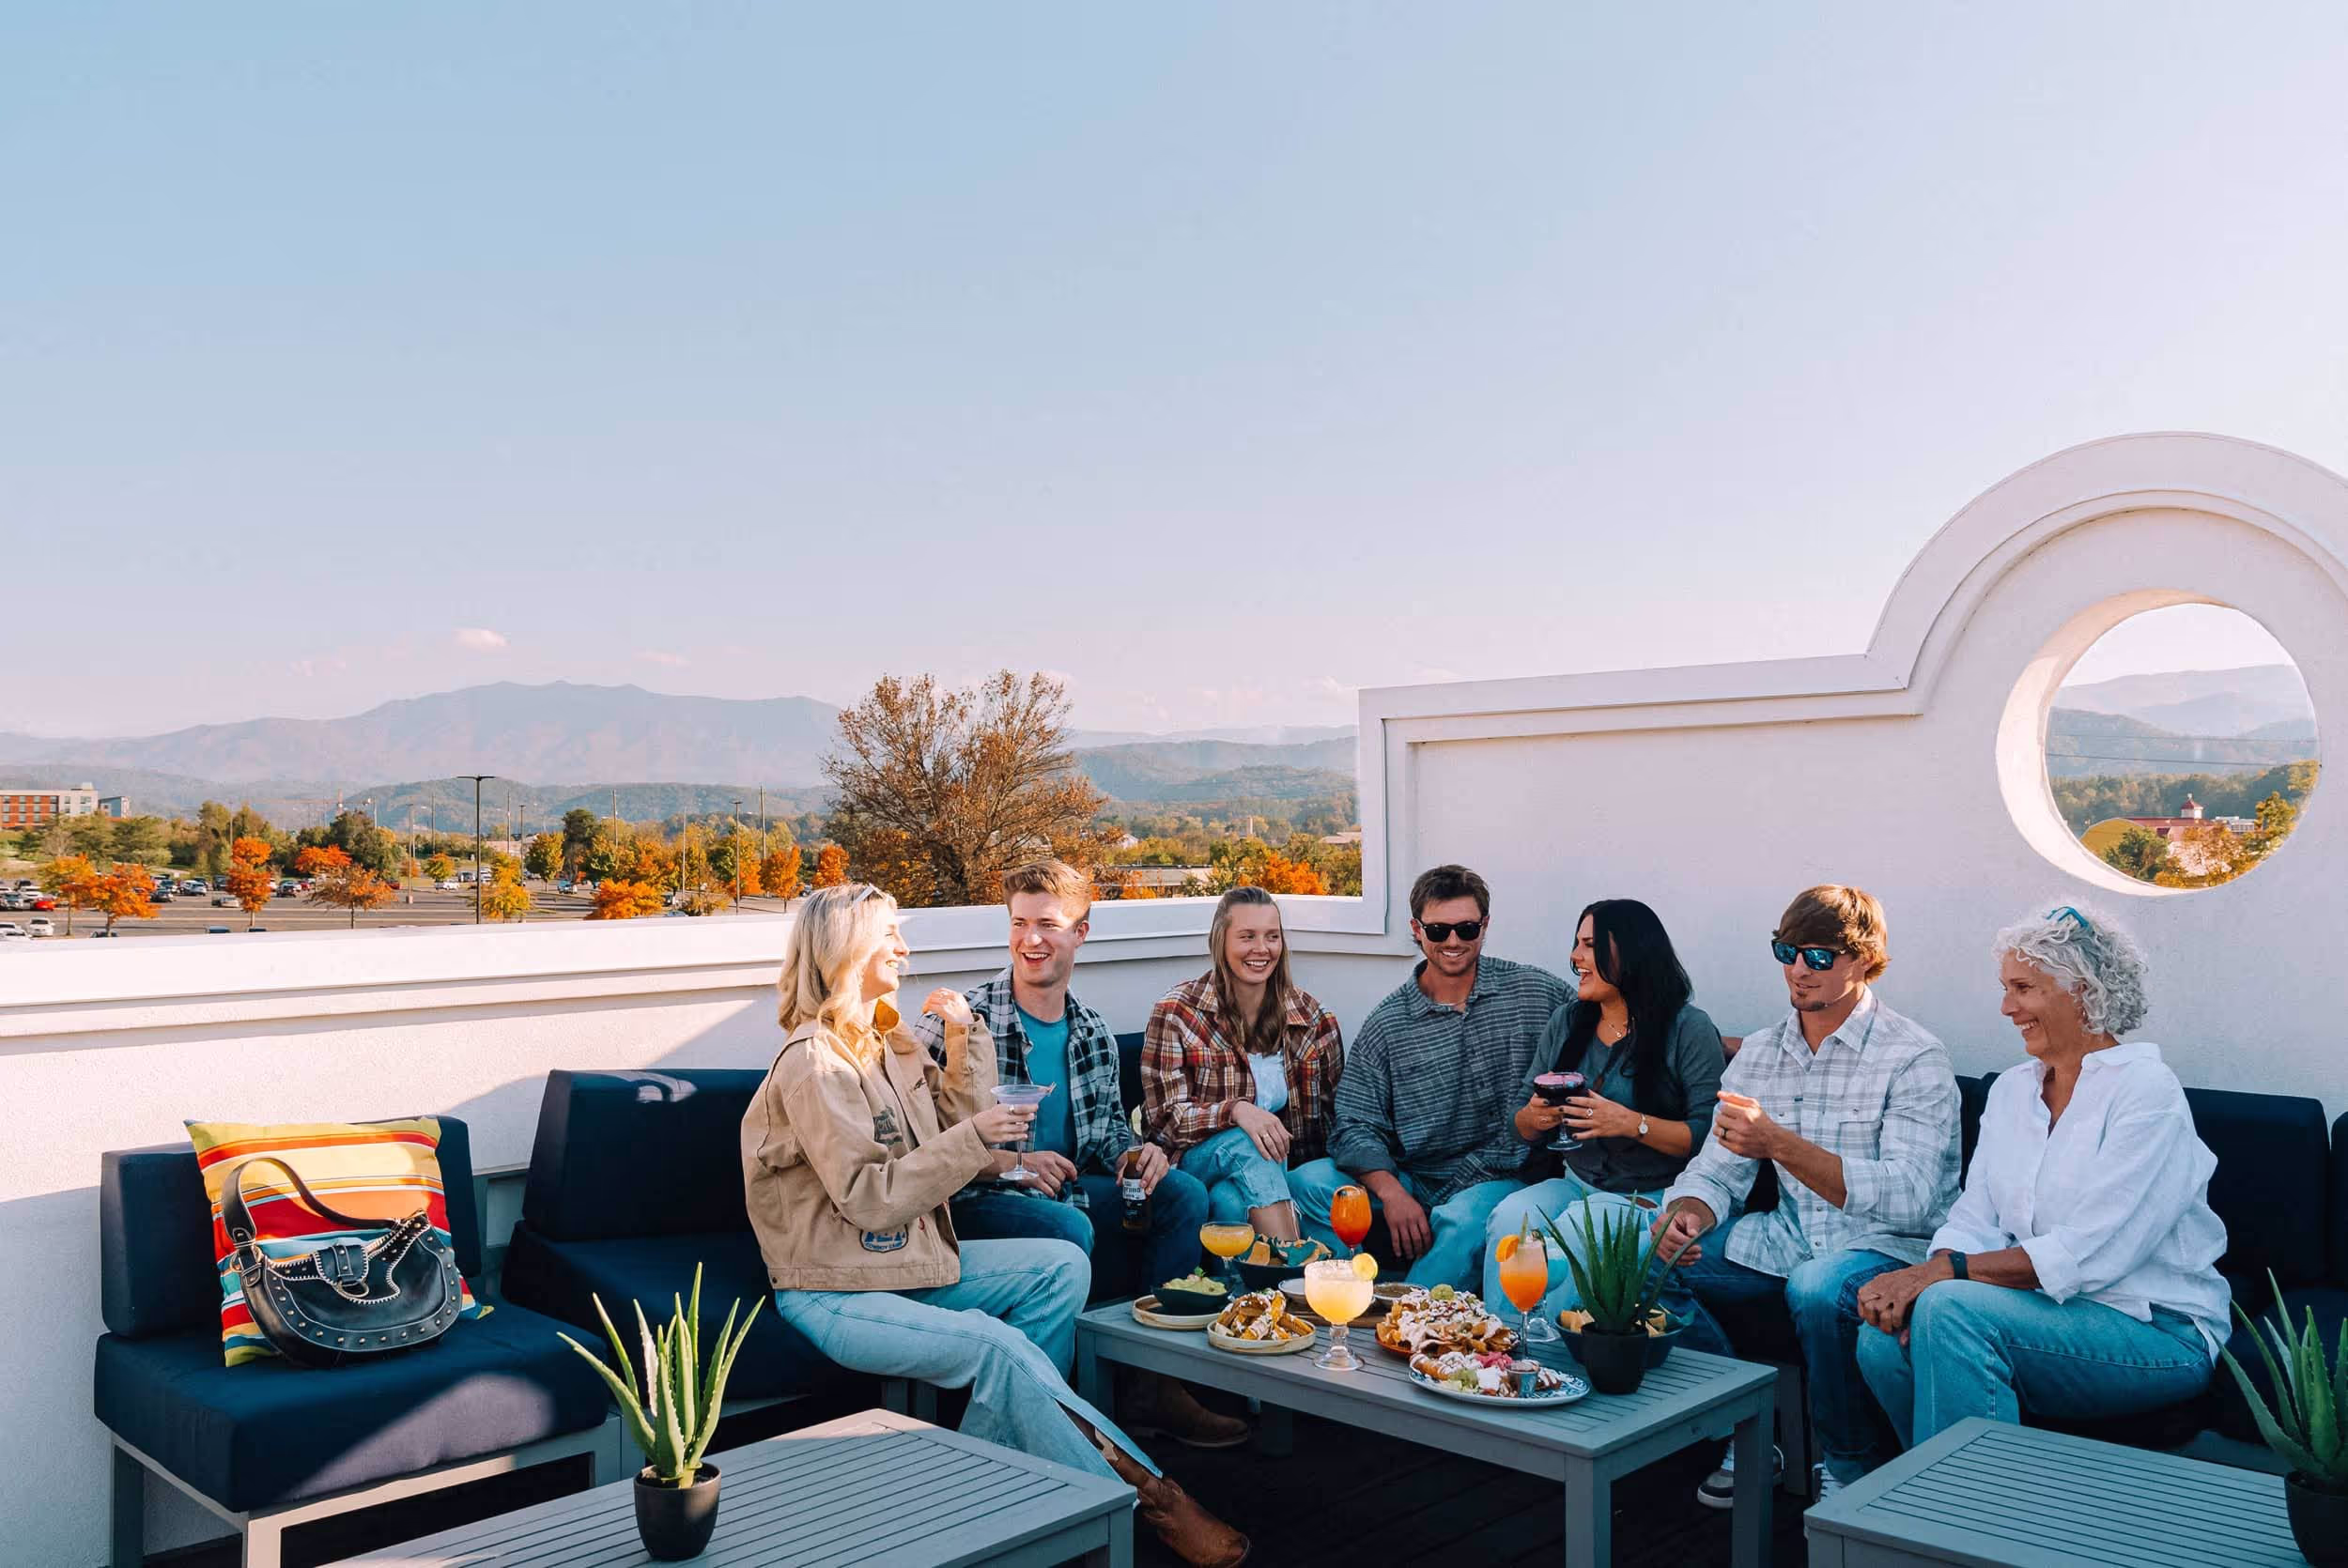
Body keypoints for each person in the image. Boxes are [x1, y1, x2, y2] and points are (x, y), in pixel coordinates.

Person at [742, 883, 1247, 1567]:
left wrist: (963, 1040)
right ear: (847, 950)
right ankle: (1143, 1496)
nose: (903, 947)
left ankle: (980, 1487)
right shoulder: (816, 1064)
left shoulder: (884, 1042)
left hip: (905, 1265)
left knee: (1062, 1266)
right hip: (835, 1289)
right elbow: (871, 1197)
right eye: (890, 935)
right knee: (994, 1346)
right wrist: (980, 1136)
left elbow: (954, 1124)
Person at [1855, 905, 2228, 1452]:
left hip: (2154, 1328)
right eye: (2005, 988)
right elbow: (1973, 1216)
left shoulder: (2147, 1092)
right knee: (1881, 1342)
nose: (2007, 1008)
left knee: (1950, 1310)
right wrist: (1936, 1270)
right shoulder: (2010, 1091)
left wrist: (1941, 1276)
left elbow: (2093, 1252)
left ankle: (1965, 1523)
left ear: (2082, 990)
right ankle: (1933, 1505)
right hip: (2047, 1313)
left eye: (2023, 988)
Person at [914, 859, 1245, 1451]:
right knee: (1068, 1225)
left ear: (1081, 931)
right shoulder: (961, 1021)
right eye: (1018, 923)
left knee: (1185, 1194)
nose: (1030, 940)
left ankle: (1156, 1385)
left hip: (1069, 1187)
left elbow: (1108, 1136)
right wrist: (1008, 1162)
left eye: (1047, 924)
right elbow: (915, 1142)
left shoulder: (1090, 1029)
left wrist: (1137, 1155)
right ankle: (1059, 1412)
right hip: (975, 1198)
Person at [1651, 884, 1960, 1507]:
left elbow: (1914, 1198)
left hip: (1890, 1251)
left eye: (1818, 956)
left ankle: (1850, 1469)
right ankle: (1749, 1428)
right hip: (1789, 1241)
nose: (1798, 970)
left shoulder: (1914, 1055)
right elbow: (1718, 1171)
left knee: (1819, 1286)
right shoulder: (1761, 1054)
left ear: (1863, 959)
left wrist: (1782, 1145)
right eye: (1786, 951)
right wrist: (1684, 1217)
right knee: (1646, 1254)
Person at [1290, 864, 1573, 1286]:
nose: (1454, 942)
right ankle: (1343, 1298)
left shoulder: (1535, 992)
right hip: (1416, 1176)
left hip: (1502, 1175)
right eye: (1439, 931)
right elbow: (1353, 1123)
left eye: (1467, 929)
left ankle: (1408, 1322)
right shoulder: (1389, 1023)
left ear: (1485, 926)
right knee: (1307, 1181)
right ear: (1417, 929)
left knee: (1464, 1219)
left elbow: (1603, 1023)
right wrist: (1392, 1192)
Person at [1480, 899, 1725, 1317]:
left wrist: (1632, 1124)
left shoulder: (1689, 1029)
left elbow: (1707, 1138)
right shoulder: (1568, 1021)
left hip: (1648, 1197)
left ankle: (1550, 1360)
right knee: (1510, 1218)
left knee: (1579, 1230)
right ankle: (1501, 1345)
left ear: (1631, 953)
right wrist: (1535, 1119)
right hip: (1576, 1182)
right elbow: (1518, 1120)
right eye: (1577, 943)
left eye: (1589, 945)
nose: (1575, 957)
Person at [1144, 886, 1345, 1241]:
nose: (1261, 949)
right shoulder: (1177, 1012)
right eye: (1247, 937)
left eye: (1272, 937)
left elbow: (1336, 1116)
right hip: (1195, 1163)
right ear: (1221, 942)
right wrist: (1235, 1111)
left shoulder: (1312, 1018)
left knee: (1229, 1202)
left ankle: (1251, 1294)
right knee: (1250, 1142)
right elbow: (1164, 1122)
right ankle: (1296, 1270)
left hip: (1276, 1175)